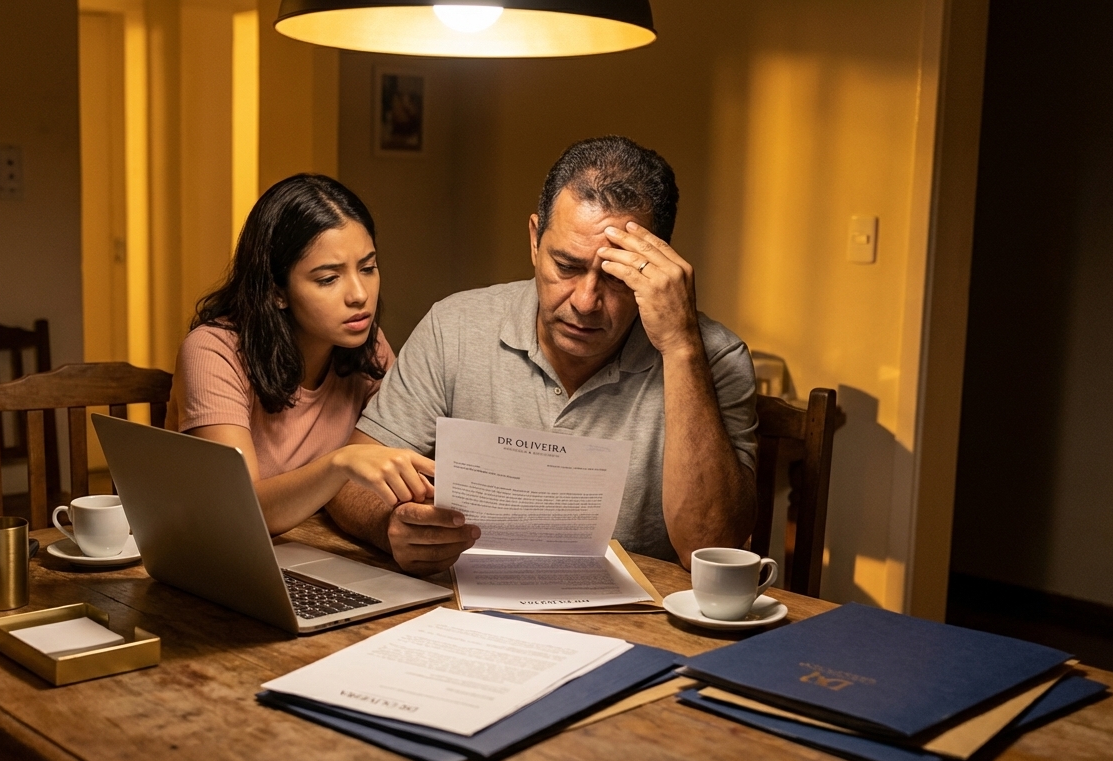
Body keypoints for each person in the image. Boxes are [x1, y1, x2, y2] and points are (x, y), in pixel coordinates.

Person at [325, 136, 759, 575]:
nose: (586, 302)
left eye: (616, 275)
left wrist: (681, 346)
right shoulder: (454, 326)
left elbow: (711, 544)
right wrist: (392, 528)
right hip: (467, 607)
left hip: (635, 620)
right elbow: (346, 484)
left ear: (658, 264)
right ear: (535, 240)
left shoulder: (714, 357)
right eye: (566, 267)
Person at [165, 173, 434, 536]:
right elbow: (238, 510)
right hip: (216, 554)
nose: (359, 294)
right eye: (328, 279)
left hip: (313, 547)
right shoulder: (213, 351)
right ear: (277, 292)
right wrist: (340, 464)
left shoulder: (367, 346)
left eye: (368, 268)